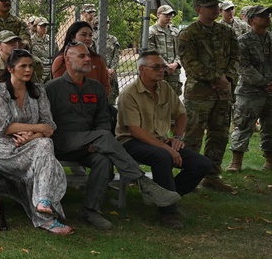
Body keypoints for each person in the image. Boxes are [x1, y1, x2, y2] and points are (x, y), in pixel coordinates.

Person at [45, 41, 182, 229]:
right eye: (82, 56)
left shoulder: (95, 88)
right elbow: (47, 121)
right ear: (67, 60)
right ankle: (142, 182)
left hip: (92, 143)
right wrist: (96, 138)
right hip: (62, 142)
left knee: (103, 160)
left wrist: (95, 141)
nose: (88, 59)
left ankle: (90, 211)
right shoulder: (52, 88)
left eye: (88, 56)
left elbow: (103, 119)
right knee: (102, 137)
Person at [116, 50, 213, 228]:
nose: (162, 70)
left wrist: (177, 137)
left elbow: (181, 114)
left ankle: (164, 195)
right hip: (131, 142)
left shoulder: (165, 88)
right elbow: (135, 130)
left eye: (163, 66)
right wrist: (166, 148)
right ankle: (168, 213)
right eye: (156, 67)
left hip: (160, 140)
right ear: (142, 70)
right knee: (163, 156)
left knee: (203, 164)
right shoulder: (129, 94)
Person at [0, 49, 71, 234]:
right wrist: (37, 129)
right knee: (45, 158)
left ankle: (43, 203)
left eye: (30, 65)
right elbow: (5, 127)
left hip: (29, 144)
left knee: (45, 146)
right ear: (10, 69)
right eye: (23, 66)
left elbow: (49, 125)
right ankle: (45, 217)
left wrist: (31, 136)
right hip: (0, 147)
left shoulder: (38, 91)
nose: (28, 69)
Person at [179, 0, 241, 192]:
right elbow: (190, 63)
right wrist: (216, 78)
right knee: (193, 136)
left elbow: (235, 57)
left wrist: (228, 78)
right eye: (211, 6)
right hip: (199, 94)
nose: (216, 9)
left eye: (217, 6)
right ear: (198, 9)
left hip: (222, 94)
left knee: (219, 134)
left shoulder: (226, 32)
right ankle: (189, 175)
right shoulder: (189, 34)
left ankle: (212, 176)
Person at [227, 5, 272, 172]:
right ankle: (236, 161)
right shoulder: (242, 42)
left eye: (269, 15)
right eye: (263, 15)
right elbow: (243, 66)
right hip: (250, 92)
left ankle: (271, 160)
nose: (268, 17)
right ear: (252, 20)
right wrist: (265, 83)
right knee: (244, 125)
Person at [0, 31, 45, 124]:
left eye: (15, 42)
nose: (14, 45)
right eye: (9, 43)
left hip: (22, 99)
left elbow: (35, 85)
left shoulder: (32, 62)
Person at [50, 21, 112, 96]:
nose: (88, 38)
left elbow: (105, 86)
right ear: (72, 37)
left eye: (90, 35)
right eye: (84, 35)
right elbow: (60, 88)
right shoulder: (61, 60)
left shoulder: (97, 59)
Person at [147, 5, 183, 96]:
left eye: (171, 15)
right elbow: (151, 52)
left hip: (173, 74)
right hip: (158, 71)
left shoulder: (175, 32)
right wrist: (166, 65)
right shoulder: (151, 31)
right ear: (158, 14)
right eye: (166, 14)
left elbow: (181, 50)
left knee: (173, 102)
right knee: (158, 100)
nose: (169, 17)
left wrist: (176, 63)